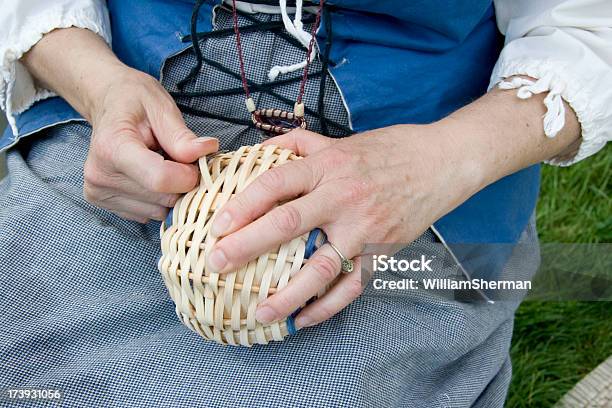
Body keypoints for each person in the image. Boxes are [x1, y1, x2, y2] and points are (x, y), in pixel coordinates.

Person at [0, 0, 610, 406]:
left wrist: (430, 166)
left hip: (414, 193)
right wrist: (100, 87)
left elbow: (585, 26)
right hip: (132, 145)